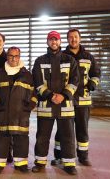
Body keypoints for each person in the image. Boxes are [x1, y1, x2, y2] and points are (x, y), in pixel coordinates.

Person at [32, 31, 80, 175]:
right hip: (47, 105)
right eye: (51, 40)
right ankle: (40, 162)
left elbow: (75, 81)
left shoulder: (70, 60)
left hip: (65, 106)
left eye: (56, 40)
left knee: (68, 136)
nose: (54, 42)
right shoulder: (39, 61)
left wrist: (63, 96)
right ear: (47, 42)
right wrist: (50, 95)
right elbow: (37, 82)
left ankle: (69, 164)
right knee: (42, 136)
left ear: (60, 42)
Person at [52, 29, 100, 166]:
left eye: (76, 37)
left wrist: (92, 83)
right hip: (66, 100)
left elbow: (96, 74)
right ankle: (59, 156)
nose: (73, 39)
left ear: (80, 38)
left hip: (83, 100)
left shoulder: (88, 56)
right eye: (70, 37)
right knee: (62, 130)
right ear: (67, 39)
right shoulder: (62, 56)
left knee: (82, 129)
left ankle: (83, 157)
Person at [0, 47, 37, 175]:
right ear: (7, 57)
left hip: (21, 114)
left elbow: (34, 93)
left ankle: (21, 164)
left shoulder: (27, 75)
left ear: (19, 57)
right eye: (10, 56)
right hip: (3, 113)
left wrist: (30, 106)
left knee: (21, 139)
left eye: (16, 56)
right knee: (1, 140)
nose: (13, 58)